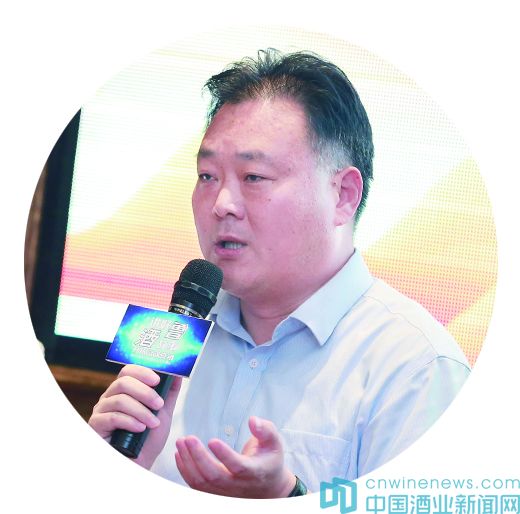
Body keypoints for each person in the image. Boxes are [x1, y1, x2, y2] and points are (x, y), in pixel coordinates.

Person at [88, 49, 470, 498]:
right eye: (207, 175)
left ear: (343, 195)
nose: (221, 204)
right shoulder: (177, 337)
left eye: (253, 176)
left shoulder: (418, 368)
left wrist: (287, 498)